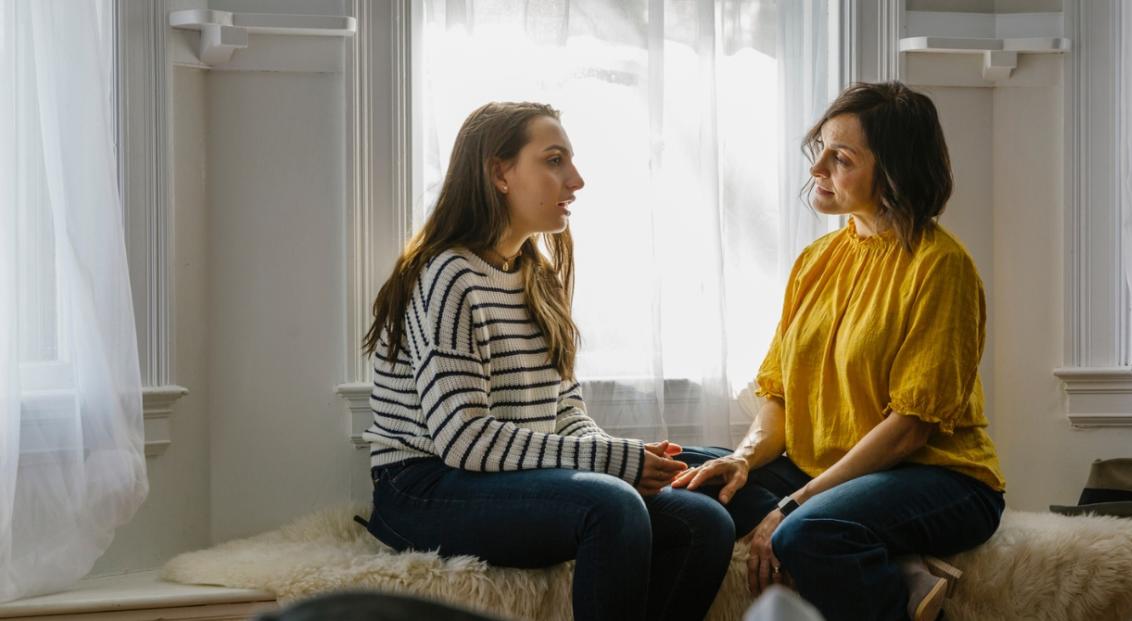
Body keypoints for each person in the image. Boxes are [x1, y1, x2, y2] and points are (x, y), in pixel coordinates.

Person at [358, 102, 735, 621]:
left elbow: (564, 410)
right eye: (554, 160)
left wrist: (623, 456)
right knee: (613, 504)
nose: (575, 180)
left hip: (502, 475)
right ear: (499, 172)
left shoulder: (537, 275)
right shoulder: (447, 276)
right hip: (424, 487)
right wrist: (617, 465)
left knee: (704, 508)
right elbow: (463, 440)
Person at [672, 81, 1006, 621]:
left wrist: (794, 505)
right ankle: (896, 565)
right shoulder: (815, 260)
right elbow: (779, 394)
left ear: (895, 171)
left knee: (809, 530)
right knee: (693, 476)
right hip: (825, 468)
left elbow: (910, 429)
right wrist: (742, 458)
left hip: (940, 477)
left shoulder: (941, 266)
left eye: (841, 158)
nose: (817, 169)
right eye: (820, 151)